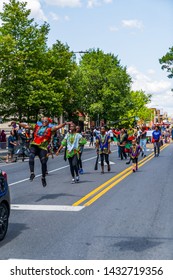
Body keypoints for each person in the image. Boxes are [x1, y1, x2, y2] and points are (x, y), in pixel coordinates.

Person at [19, 117, 71, 187]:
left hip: (43, 147)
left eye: (45, 121)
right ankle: (32, 173)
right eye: (43, 120)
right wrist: (17, 123)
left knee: (43, 162)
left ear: (48, 122)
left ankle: (43, 177)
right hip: (34, 145)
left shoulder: (50, 129)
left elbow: (58, 126)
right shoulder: (36, 126)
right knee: (31, 156)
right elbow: (26, 126)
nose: (44, 122)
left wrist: (65, 123)